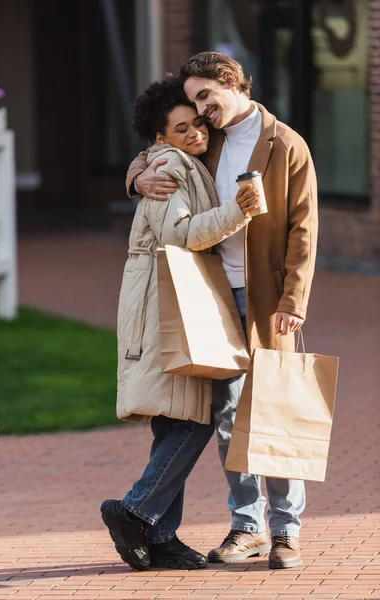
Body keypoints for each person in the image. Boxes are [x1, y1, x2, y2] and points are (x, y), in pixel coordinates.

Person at [126, 52, 318, 569]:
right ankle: (248, 526)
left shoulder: (286, 144)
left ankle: (287, 531)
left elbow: (304, 228)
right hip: (212, 295)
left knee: (277, 410)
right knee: (230, 415)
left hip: (268, 298)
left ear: (232, 84)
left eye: (207, 97)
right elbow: (158, 152)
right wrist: (136, 176)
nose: (202, 110)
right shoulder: (204, 142)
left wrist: (293, 300)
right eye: (193, 102)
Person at [100, 76, 261, 571]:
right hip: (166, 303)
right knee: (195, 417)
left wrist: (135, 174)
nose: (196, 132)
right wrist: (239, 211)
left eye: (197, 122)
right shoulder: (173, 162)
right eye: (182, 127)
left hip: (170, 298)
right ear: (161, 138)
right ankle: (135, 511)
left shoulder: (186, 156)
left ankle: (161, 537)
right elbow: (179, 233)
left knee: (175, 417)